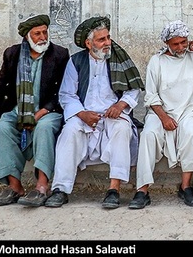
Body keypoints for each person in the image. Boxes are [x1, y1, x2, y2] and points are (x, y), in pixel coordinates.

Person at [44, 16, 144, 209]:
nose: (107, 43)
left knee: (122, 129)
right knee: (69, 132)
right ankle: (60, 189)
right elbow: (67, 94)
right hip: (85, 114)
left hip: (112, 114)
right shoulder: (76, 61)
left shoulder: (118, 58)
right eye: (101, 40)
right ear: (89, 44)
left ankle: (114, 189)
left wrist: (120, 105)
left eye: (108, 37)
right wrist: (81, 114)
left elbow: (133, 89)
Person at [129, 20, 193, 210]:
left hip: (188, 111)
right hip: (160, 112)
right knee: (148, 135)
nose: (181, 47)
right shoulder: (156, 61)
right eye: (176, 44)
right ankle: (142, 190)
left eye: (184, 42)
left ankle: (186, 186)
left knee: (190, 132)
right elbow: (150, 95)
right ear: (167, 43)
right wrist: (164, 117)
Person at [0, 14, 70, 207]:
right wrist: (2, 115)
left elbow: (63, 91)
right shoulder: (12, 54)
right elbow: (2, 88)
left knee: (43, 128)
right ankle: (15, 186)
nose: (43, 37)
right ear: (27, 36)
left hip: (49, 110)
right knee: (1, 128)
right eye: (37, 33)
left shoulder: (59, 54)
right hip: (18, 109)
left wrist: (41, 112)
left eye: (45, 32)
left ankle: (42, 186)